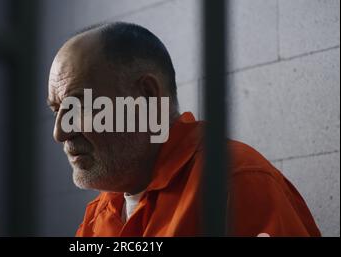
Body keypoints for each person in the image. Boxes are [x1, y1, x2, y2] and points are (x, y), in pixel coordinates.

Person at [46, 22, 321, 236]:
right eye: (57, 111)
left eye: (78, 106)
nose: (60, 133)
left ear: (147, 95)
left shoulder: (234, 182)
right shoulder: (100, 214)